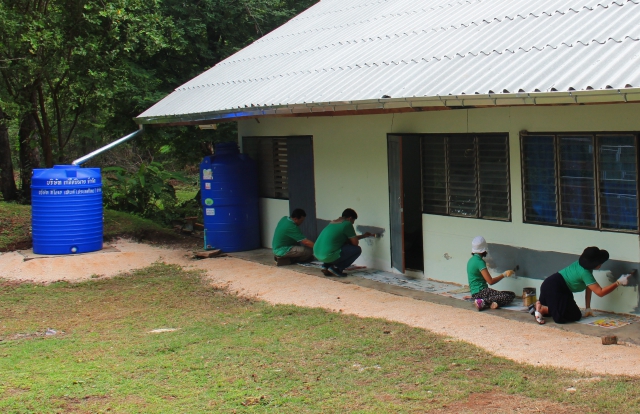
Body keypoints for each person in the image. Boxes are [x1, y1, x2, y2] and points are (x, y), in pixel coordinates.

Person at [533, 246, 632, 325]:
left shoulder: (583, 266)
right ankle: (543, 308)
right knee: (573, 315)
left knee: (557, 311)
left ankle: (541, 305)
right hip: (556, 288)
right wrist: (618, 282)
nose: (600, 265)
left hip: (549, 284)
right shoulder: (585, 273)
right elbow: (600, 292)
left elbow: (589, 287)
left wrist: (587, 307)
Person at [313, 208, 373, 277]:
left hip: (317, 253)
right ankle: (337, 268)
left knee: (336, 247)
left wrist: (363, 236)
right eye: (353, 220)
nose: (353, 223)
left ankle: (326, 266)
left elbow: (341, 240)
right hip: (327, 255)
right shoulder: (347, 224)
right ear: (350, 218)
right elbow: (355, 243)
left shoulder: (333, 223)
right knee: (357, 250)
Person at [467, 236, 516, 311]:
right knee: (508, 296)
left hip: (475, 293)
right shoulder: (480, 262)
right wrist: (504, 275)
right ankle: (483, 301)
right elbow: (490, 281)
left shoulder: (470, 261)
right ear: (483, 250)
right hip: (482, 292)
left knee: (510, 294)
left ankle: (488, 303)